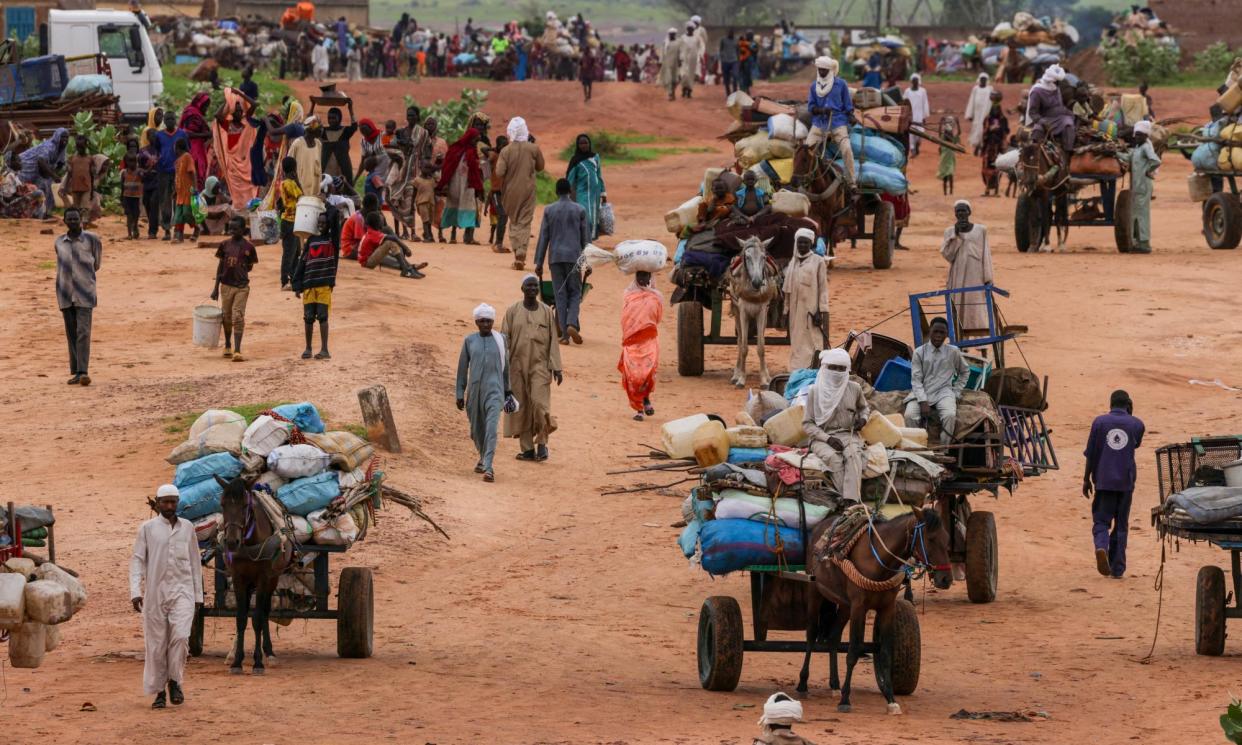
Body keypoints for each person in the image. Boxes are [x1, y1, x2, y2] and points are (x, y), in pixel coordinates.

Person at [130, 484, 202, 709]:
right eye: (166, 502)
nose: (170, 506)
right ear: (158, 503)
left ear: (177, 502)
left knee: (180, 637)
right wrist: (135, 592)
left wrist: (198, 596)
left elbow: (195, 562)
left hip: (183, 592)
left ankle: (175, 681)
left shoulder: (188, 528)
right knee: (157, 644)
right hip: (155, 594)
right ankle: (159, 691)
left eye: (173, 502)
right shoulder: (147, 528)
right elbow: (137, 560)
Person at [1083, 389, 1144, 579]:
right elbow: (1134, 444)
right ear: (1129, 404)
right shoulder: (1137, 424)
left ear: (1110, 404)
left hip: (1103, 480)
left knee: (1101, 521)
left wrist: (1086, 479)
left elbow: (1091, 454)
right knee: (1121, 525)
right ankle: (1117, 569)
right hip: (1126, 482)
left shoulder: (1099, 423)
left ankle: (1101, 546)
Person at [502, 275, 563, 461]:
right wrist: (502, 367)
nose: (532, 289)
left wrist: (557, 367)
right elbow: (504, 340)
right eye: (528, 286)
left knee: (539, 404)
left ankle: (542, 442)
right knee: (522, 408)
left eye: (535, 286)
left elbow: (553, 340)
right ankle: (527, 449)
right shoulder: (512, 311)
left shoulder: (546, 311)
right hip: (516, 366)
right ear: (522, 288)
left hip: (540, 366)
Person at [802, 348, 870, 502]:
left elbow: (864, 408)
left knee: (853, 456)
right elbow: (808, 424)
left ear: (847, 370)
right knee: (834, 459)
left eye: (841, 369)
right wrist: (827, 439)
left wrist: (863, 419)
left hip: (848, 434)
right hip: (822, 438)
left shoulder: (854, 388)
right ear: (825, 368)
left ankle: (851, 501)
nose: (837, 372)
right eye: (833, 368)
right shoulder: (815, 391)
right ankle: (844, 499)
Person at [456, 304, 512, 483]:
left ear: (493, 321)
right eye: (482, 321)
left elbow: (506, 367)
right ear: (476, 322)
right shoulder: (469, 341)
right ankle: (482, 458)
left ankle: (489, 467)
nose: (486, 324)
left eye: (489, 321)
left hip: (495, 391)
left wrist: (508, 389)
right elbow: (462, 368)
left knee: (491, 428)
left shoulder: (501, 340)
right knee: (476, 429)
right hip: (474, 392)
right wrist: (459, 392)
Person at [534, 178, 590, 345]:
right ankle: (572, 323)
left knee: (560, 295)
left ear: (557, 192)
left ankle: (564, 335)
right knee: (575, 292)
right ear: (570, 192)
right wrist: (588, 263)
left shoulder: (549, 210)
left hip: (555, 257)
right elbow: (586, 240)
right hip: (574, 257)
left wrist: (538, 262)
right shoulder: (580, 210)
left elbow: (544, 237)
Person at [55, 207, 101, 386]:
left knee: (83, 332)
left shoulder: (92, 239)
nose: (73, 222)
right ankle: (76, 370)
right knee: (71, 333)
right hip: (65, 293)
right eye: (70, 219)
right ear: (65, 221)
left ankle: (83, 371)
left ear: (81, 220)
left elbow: (96, 264)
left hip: (85, 292)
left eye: (76, 219)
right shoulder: (59, 242)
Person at [902, 317, 968, 444]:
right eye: (935, 331)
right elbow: (916, 380)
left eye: (942, 332)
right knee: (909, 416)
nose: (938, 335)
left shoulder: (953, 351)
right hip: (922, 391)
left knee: (949, 416)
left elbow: (965, 371)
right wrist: (922, 401)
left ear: (947, 334)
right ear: (930, 332)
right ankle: (917, 449)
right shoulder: (919, 352)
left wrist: (956, 391)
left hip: (944, 392)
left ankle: (943, 450)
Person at [495, 117, 545, 270]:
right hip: (528, 190)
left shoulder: (505, 151)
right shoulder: (533, 148)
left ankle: (517, 251)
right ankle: (521, 252)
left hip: (510, 192)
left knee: (514, 221)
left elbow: (499, 172)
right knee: (524, 222)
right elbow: (540, 167)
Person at [941, 200, 993, 337]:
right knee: (958, 311)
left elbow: (986, 255)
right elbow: (948, 256)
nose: (961, 214)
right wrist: (956, 236)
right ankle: (961, 346)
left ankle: (983, 349)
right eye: (958, 211)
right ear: (955, 214)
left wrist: (988, 278)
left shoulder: (981, 230)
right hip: (957, 277)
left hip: (976, 278)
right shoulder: (949, 232)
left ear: (969, 212)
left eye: (963, 210)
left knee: (977, 312)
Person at [292, 211, 339, 360]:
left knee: (323, 317)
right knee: (308, 317)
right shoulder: (311, 240)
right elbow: (302, 262)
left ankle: (324, 349)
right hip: (309, 284)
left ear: (329, 224)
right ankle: (308, 348)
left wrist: (327, 206)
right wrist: (297, 283)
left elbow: (336, 219)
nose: (321, 225)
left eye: (324, 223)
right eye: (319, 222)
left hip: (324, 284)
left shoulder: (332, 240)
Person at [210, 215, 257, 361]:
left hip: (242, 287)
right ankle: (228, 345)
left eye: (235, 229)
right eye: (230, 228)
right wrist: (215, 288)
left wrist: (240, 273)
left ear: (243, 230)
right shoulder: (224, 245)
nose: (232, 231)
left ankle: (237, 349)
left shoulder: (249, 247)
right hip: (226, 286)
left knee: (238, 316)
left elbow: (249, 266)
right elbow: (220, 267)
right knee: (227, 316)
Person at [783, 228, 830, 371]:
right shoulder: (793, 262)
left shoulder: (818, 261)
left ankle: (812, 369)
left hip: (812, 311)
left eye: (805, 243)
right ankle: (797, 371)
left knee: (812, 341)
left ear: (811, 243)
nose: (802, 245)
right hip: (795, 311)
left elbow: (823, 289)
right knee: (797, 342)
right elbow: (787, 291)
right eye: (800, 242)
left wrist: (820, 311)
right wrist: (785, 311)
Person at [806, 56, 856, 189]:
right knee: (807, 149)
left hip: (838, 123)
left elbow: (848, 105)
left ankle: (852, 182)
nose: (822, 72)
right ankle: (806, 180)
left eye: (824, 70)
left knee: (847, 149)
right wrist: (822, 110)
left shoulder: (841, 84)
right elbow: (811, 108)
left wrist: (851, 116)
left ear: (830, 70)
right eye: (820, 70)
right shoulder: (813, 87)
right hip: (819, 123)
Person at [619, 270, 662, 421]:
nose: (643, 279)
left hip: (649, 340)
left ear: (651, 277)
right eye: (640, 276)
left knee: (646, 375)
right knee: (633, 376)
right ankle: (639, 410)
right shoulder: (628, 295)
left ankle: (646, 400)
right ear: (635, 277)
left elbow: (657, 317)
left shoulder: (656, 297)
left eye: (646, 276)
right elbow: (625, 317)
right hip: (632, 341)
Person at [211, 89, 261, 210]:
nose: (239, 112)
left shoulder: (246, 123)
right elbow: (217, 116)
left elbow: (254, 104)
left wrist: (240, 94)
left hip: (246, 164)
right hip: (233, 164)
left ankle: (249, 213)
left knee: (249, 189)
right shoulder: (228, 125)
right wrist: (228, 100)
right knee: (236, 192)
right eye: (236, 110)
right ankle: (239, 214)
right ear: (232, 111)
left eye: (241, 110)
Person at [437, 127, 484, 245]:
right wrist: (444, 183)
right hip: (455, 184)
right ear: (469, 138)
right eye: (474, 140)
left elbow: (475, 171)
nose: (475, 142)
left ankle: (469, 237)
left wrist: (478, 186)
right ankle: (453, 236)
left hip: (468, 185)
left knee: (471, 208)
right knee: (454, 206)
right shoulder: (455, 149)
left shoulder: (473, 152)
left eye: (477, 140)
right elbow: (447, 167)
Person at [1025, 64, 1075, 164]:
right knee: (1037, 132)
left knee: (1068, 124)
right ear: (1051, 80)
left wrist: (1070, 113)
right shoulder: (1037, 91)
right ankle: (1031, 160)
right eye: (1057, 81)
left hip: (1060, 118)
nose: (1059, 83)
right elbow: (1033, 112)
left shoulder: (1055, 88)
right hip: (1045, 118)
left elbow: (1060, 106)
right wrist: (1041, 121)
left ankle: (1068, 155)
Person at [357, 210, 425, 277]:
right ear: (375, 223)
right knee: (390, 243)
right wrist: (406, 248)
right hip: (367, 262)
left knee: (394, 249)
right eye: (380, 222)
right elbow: (393, 238)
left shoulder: (371, 231)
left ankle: (409, 268)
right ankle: (405, 270)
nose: (382, 223)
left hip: (369, 258)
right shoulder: (373, 233)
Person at [19, 127, 69, 219]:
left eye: (66, 137)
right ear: (57, 137)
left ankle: (45, 212)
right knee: (27, 190)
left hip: (42, 170)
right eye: (62, 137)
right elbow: (41, 161)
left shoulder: (61, 148)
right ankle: (33, 213)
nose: (65, 140)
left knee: (46, 189)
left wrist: (55, 174)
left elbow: (61, 163)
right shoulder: (49, 146)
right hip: (26, 166)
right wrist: (54, 175)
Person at [1128, 120, 1160, 254]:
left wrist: (1148, 171)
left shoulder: (1146, 147)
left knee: (1142, 214)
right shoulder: (1137, 148)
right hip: (1137, 186)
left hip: (1144, 185)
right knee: (1136, 213)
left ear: (1146, 136)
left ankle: (1145, 243)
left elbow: (1156, 161)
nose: (1137, 137)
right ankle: (1137, 241)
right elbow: (1128, 157)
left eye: (1140, 135)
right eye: (1136, 135)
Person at [566, 133, 606, 238]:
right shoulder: (575, 160)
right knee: (585, 216)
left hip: (595, 193)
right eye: (581, 143)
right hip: (582, 192)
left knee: (594, 217)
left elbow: (599, 175)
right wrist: (565, 194)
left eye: (586, 143)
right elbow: (570, 178)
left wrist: (603, 193)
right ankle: (585, 240)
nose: (584, 145)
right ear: (577, 145)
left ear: (589, 144)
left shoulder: (595, 157)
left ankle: (591, 240)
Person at [179, 92, 212, 190]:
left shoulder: (192, 112)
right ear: (200, 104)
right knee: (196, 175)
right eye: (205, 106)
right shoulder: (193, 114)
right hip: (193, 150)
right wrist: (205, 134)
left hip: (195, 148)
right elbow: (187, 133)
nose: (206, 109)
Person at [278, 156, 302, 288]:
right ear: (294, 169)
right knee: (290, 252)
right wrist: (297, 179)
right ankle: (285, 280)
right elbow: (301, 195)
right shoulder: (290, 183)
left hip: (291, 221)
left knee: (296, 251)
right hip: (290, 221)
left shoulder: (283, 182)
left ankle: (293, 278)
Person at [979, 93, 1009, 196]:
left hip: (998, 147)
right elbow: (984, 132)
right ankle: (987, 189)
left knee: (998, 168)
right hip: (989, 146)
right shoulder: (988, 119)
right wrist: (989, 130)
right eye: (994, 109)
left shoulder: (1002, 119)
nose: (995, 111)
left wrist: (998, 130)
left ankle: (996, 190)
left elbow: (1006, 132)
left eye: (997, 108)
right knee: (987, 168)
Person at [320, 105, 358, 185]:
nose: (331, 120)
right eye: (329, 118)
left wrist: (350, 109)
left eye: (334, 118)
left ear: (339, 118)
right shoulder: (323, 131)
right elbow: (309, 126)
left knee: (343, 187)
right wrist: (312, 105)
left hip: (343, 167)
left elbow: (354, 126)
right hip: (326, 167)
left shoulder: (345, 131)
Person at [288, 120, 323, 201]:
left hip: (314, 185)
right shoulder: (297, 144)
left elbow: (319, 165)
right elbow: (289, 165)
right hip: (300, 185)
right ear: (312, 130)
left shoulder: (318, 144)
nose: (322, 130)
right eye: (320, 128)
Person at [172, 138, 198, 243]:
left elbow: (192, 172)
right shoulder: (177, 161)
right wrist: (175, 190)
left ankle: (197, 228)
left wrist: (195, 188)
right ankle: (179, 236)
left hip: (188, 191)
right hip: (179, 193)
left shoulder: (187, 157)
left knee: (187, 213)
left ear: (177, 148)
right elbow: (177, 177)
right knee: (178, 215)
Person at [963, 72, 995, 155]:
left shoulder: (990, 89)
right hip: (977, 114)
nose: (983, 81)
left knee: (983, 131)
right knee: (976, 129)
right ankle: (976, 147)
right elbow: (971, 101)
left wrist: (990, 114)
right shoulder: (975, 89)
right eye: (982, 79)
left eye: (985, 79)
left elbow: (991, 102)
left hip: (985, 114)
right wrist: (970, 114)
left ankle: (981, 148)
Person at [65, 134, 94, 212]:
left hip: (86, 188)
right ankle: (77, 223)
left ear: (86, 146)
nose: (80, 149)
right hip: (75, 188)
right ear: (76, 147)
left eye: (82, 147)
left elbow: (92, 175)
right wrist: (66, 187)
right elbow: (69, 174)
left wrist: (92, 190)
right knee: (76, 208)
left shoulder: (90, 159)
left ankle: (84, 223)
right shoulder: (72, 159)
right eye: (78, 147)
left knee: (85, 208)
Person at [120, 148, 144, 239]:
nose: (132, 164)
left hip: (136, 197)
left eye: (134, 161)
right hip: (127, 196)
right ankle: (129, 233)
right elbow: (122, 185)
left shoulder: (139, 172)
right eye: (130, 161)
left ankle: (135, 226)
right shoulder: (124, 173)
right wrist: (121, 197)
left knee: (136, 214)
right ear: (126, 162)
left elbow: (143, 178)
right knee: (129, 215)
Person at [904, 74, 930, 157]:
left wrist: (924, 116)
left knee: (920, 133)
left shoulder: (923, 91)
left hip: (920, 115)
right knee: (911, 133)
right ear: (911, 82)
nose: (915, 82)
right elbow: (904, 102)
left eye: (917, 81)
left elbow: (925, 103)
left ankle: (917, 144)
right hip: (910, 116)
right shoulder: (907, 91)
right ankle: (912, 149)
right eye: (914, 81)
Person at [412, 163, 439, 243]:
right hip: (421, 202)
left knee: (430, 220)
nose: (427, 170)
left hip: (431, 203)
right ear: (421, 168)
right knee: (425, 220)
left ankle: (428, 234)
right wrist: (411, 205)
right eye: (425, 167)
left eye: (429, 168)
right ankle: (427, 237)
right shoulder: (417, 180)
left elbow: (434, 191)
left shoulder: (432, 180)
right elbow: (414, 193)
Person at [658, 29, 683, 101]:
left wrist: (680, 60)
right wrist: (660, 61)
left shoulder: (678, 42)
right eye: (670, 34)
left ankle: (673, 92)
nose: (671, 35)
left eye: (673, 34)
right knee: (668, 79)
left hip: (675, 63)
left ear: (675, 34)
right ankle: (670, 93)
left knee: (675, 80)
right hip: (667, 63)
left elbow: (680, 52)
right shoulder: (665, 42)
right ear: (669, 34)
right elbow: (662, 53)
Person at [937, 117, 959, 195]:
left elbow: (958, 133)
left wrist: (957, 123)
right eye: (947, 133)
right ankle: (945, 192)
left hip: (950, 160)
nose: (947, 134)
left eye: (949, 133)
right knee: (945, 178)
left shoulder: (952, 141)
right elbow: (939, 133)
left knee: (950, 175)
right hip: (944, 160)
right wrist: (941, 123)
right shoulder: (942, 139)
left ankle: (951, 192)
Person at [678, 24, 697, 99]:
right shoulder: (682, 37)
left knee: (691, 76)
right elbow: (679, 48)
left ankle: (689, 91)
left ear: (693, 30)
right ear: (687, 29)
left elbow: (698, 49)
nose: (690, 30)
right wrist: (678, 58)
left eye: (691, 29)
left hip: (692, 60)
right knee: (684, 75)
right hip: (683, 59)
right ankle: (683, 89)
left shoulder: (696, 38)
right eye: (689, 29)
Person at [719, 29, 739, 97]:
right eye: (729, 33)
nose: (731, 34)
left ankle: (735, 92)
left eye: (732, 33)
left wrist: (739, 61)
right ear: (727, 33)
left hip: (734, 60)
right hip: (725, 61)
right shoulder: (723, 40)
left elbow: (738, 50)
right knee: (726, 78)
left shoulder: (736, 40)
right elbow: (720, 49)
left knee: (735, 76)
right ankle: (728, 92)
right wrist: (722, 57)